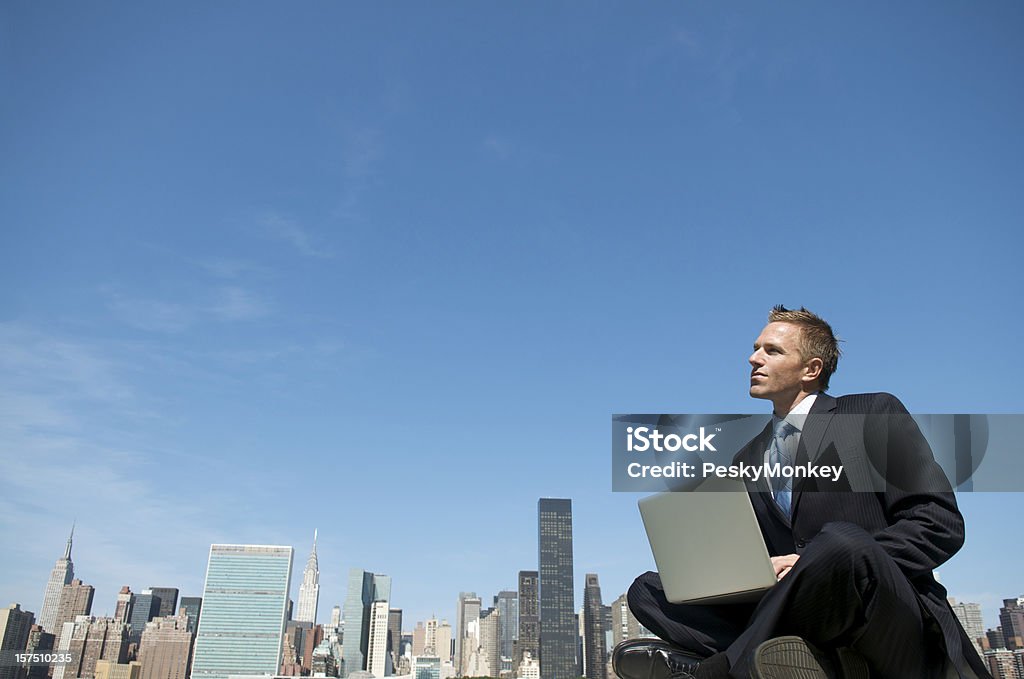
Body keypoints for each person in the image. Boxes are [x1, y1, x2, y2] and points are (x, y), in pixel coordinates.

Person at [616, 307, 991, 679]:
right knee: (648, 590)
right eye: (756, 347)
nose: (753, 358)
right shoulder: (745, 457)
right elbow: (759, 554)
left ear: (811, 369)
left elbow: (938, 524)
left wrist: (813, 561)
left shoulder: (873, 412)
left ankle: (719, 669)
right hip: (796, 610)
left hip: (881, 612)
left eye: (771, 350)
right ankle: (804, 662)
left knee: (840, 542)